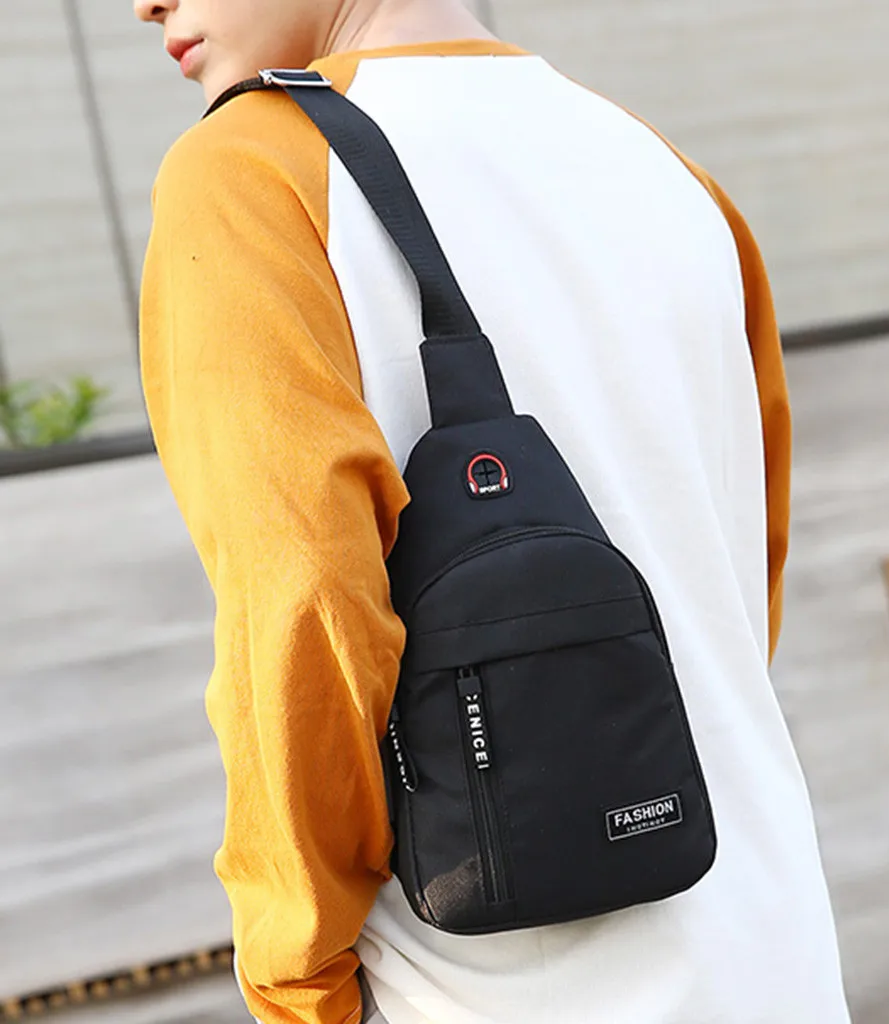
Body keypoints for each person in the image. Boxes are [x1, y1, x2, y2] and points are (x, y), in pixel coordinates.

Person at [134, 0, 850, 1021]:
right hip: (771, 944)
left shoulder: (250, 173)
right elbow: (738, 588)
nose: (144, 3)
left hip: (490, 985)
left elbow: (300, 616)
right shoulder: (666, 172)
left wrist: (298, 986)